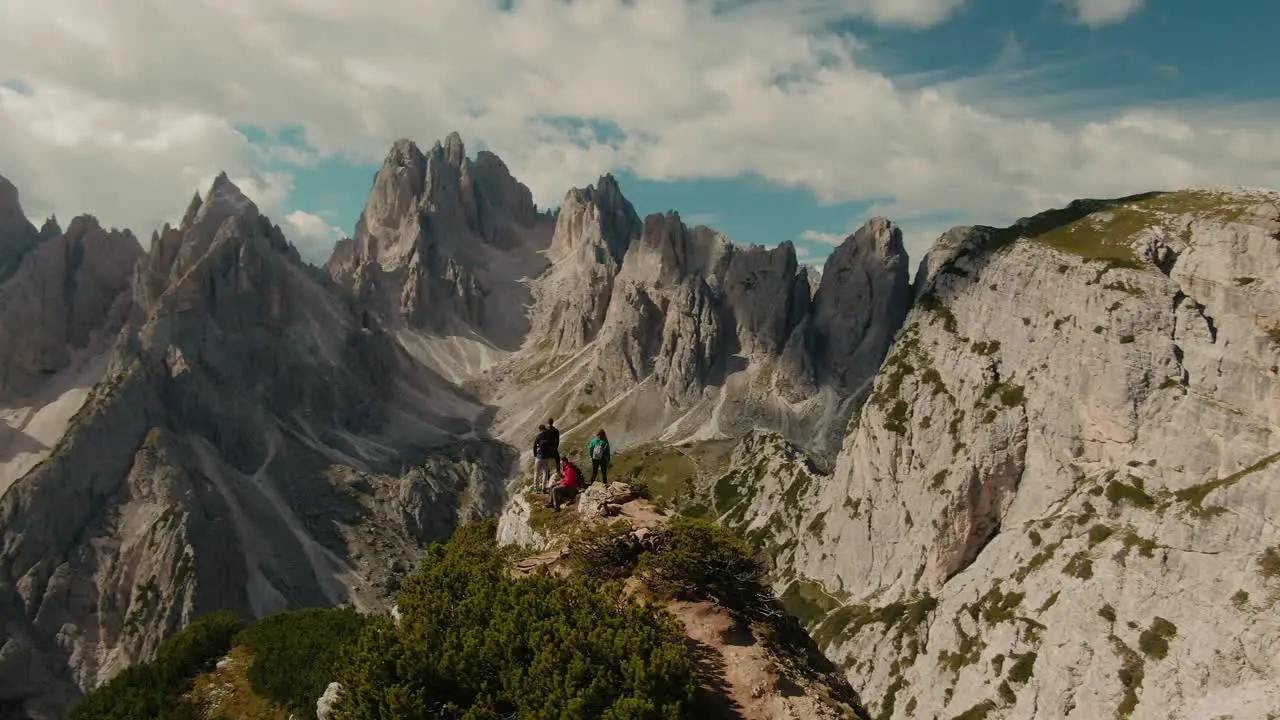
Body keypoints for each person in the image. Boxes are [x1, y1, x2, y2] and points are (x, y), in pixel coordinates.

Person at [532, 424, 553, 493]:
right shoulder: (549, 436)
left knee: (537, 472)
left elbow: (534, 446)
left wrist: (535, 454)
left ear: (540, 430)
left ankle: (536, 488)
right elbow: (551, 445)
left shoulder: (538, 436)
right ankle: (543, 488)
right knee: (545, 473)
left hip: (539, 457)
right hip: (546, 457)